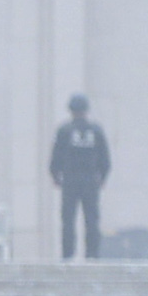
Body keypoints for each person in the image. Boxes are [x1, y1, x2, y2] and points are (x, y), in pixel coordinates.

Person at [50, 94, 110, 260]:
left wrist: (55, 176)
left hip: (70, 181)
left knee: (68, 219)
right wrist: (103, 177)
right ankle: (92, 254)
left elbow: (56, 157)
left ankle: (68, 254)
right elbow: (105, 158)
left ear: (71, 110)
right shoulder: (96, 131)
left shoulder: (64, 131)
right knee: (92, 219)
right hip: (90, 181)